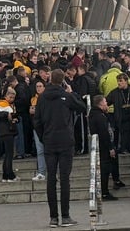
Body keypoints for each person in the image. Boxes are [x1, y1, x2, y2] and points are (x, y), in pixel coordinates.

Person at [34, 68, 85, 228]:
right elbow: (82, 108)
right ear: (63, 80)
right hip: (65, 140)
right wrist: (71, 92)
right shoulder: (66, 96)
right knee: (64, 179)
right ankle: (66, 215)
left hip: (49, 140)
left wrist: (43, 137)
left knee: (51, 179)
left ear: (49, 79)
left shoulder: (42, 98)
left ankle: (53, 217)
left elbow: (37, 121)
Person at [88, 95, 117, 201]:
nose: (107, 104)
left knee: (105, 169)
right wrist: (110, 147)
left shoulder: (98, 114)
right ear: (100, 104)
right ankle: (104, 192)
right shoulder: (99, 116)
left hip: (102, 146)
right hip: (103, 147)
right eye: (105, 102)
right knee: (104, 170)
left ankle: (103, 191)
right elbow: (104, 133)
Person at [0, 87, 19, 182]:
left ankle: (5, 175)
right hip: (6, 131)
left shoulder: (9, 105)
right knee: (9, 154)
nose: (12, 99)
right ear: (6, 96)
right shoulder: (2, 104)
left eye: (13, 97)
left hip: (8, 131)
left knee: (8, 154)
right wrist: (6, 114)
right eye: (10, 97)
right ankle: (10, 175)